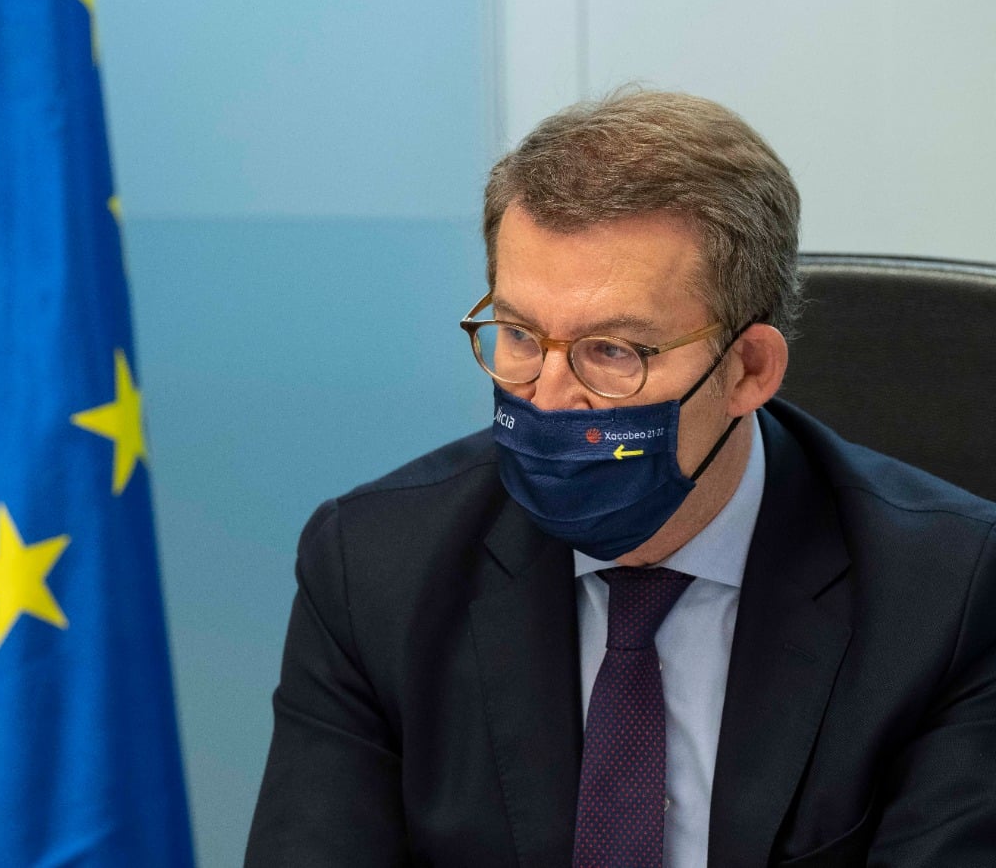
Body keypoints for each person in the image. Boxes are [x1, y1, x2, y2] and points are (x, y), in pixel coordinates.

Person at [245, 90, 996, 867]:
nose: (551, 394)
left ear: (748, 369)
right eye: (520, 335)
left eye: (613, 351)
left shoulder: (949, 597)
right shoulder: (372, 568)